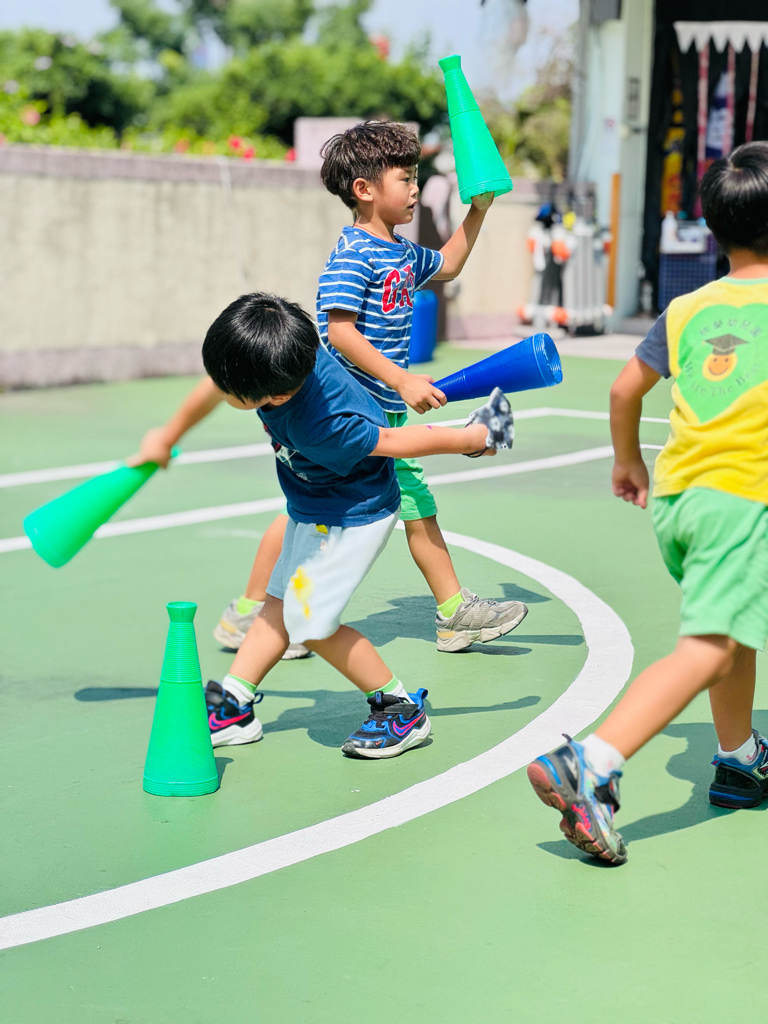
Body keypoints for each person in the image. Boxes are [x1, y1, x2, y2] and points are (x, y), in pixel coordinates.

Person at [527, 141, 768, 864]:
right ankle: (591, 762)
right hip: (741, 501)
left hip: (681, 499)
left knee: (733, 630)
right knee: (709, 646)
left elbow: (623, 388)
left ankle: (739, 757)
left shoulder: (688, 308)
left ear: (713, 227)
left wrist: (628, 460)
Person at [198, 291, 514, 757]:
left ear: (276, 395)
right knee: (277, 604)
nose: (220, 391)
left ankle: (399, 708)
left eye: (229, 389)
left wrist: (472, 438)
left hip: (349, 517)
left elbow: (396, 442)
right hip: (313, 506)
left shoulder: (325, 426)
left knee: (311, 624)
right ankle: (235, 705)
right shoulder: (298, 352)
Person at [317, 120, 528, 653]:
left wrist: (478, 209)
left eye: (416, 178)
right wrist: (402, 379)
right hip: (349, 412)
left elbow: (450, 263)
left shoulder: (402, 252)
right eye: (406, 179)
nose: (415, 189)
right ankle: (276, 612)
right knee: (325, 517)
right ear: (364, 189)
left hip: (382, 412)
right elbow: (339, 331)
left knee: (402, 507)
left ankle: (451, 612)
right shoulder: (354, 253)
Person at [132, 380, 310, 660]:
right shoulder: (259, 375)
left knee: (306, 505)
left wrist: (167, 437)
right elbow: (218, 384)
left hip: (312, 423)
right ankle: (253, 613)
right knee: (305, 506)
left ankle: (253, 611)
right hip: (309, 430)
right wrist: (167, 437)